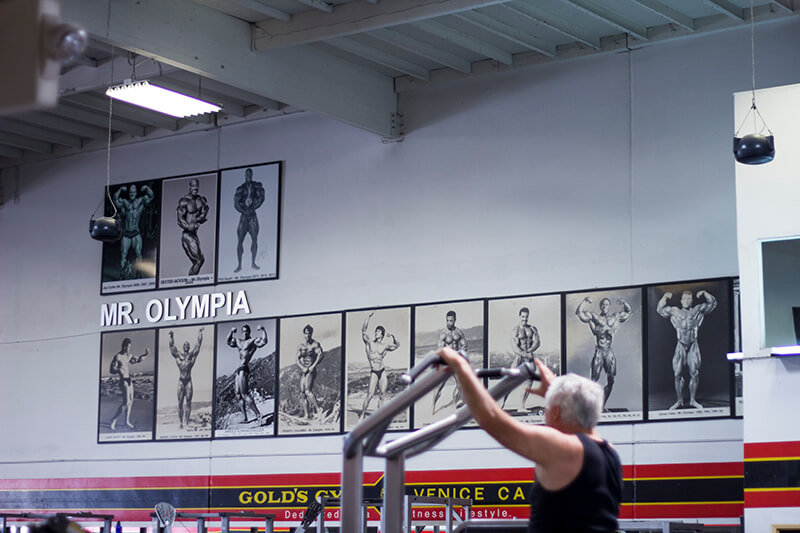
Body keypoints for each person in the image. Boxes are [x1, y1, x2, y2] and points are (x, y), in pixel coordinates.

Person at [437, 346, 622, 533]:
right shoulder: (609, 452)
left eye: (548, 408)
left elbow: (490, 418)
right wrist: (554, 392)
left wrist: (460, 366)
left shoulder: (563, 448)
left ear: (556, 412)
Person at [657, 289, 717, 410]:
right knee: (677, 374)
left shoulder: (697, 310)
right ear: (681, 300)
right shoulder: (675, 311)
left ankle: (692, 400)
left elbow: (713, 303)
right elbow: (660, 310)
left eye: (689, 299)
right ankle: (679, 401)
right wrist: (664, 297)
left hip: (693, 344)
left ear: (691, 301)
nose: (686, 301)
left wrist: (705, 293)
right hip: (680, 345)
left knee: (694, 373)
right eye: (684, 299)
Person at [575, 297, 632, 406]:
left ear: (609, 306)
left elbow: (628, 312)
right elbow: (579, 313)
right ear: (600, 306)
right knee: (593, 381)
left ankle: (602, 405)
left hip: (609, 352)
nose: (604, 306)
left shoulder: (615, 317)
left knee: (611, 380)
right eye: (602, 304)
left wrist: (624, 302)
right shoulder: (595, 317)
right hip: (599, 352)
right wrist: (585, 301)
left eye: (606, 304)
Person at [359, 312, 400, 420]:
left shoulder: (384, 346)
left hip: (382, 371)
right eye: (376, 331)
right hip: (374, 372)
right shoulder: (369, 343)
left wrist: (392, 336)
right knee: (370, 394)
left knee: (382, 394)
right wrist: (367, 316)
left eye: (378, 332)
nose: (376, 333)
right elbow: (363, 331)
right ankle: (362, 414)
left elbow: (397, 345)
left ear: (382, 335)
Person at [501, 307, 541, 411]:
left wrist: (530, 351)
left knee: (529, 381)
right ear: (520, 316)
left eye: (526, 316)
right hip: (519, 358)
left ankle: (521, 406)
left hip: (529, 357)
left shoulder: (532, 329)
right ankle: (502, 404)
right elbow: (515, 347)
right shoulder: (516, 330)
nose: (525, 318)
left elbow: (537, 342)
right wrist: (525, 354)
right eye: (523, 316)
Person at [226, 324, 268, 423]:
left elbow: (264, 341)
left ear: (249, 332)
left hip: (244, 368)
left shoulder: (252, 341)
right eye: (243, 331)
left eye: (246, 331)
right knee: (238, 394)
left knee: (244, 394)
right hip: (238, 369)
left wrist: (263, 329)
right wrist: (231, 332)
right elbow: (228, 341)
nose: (245, 333)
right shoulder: (239, 342)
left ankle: (258, 414)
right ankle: (245, 418)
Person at [113, 183, 154, 279]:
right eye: (130, 192)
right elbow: (115, 199)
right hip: (126, 233)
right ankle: (122, 273)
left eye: (134, 192)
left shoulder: (141, 201)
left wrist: (147, 188)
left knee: (138, 253)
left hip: (136, 232)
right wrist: (120, 189)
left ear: (136, 192)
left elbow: (151, 196)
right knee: (123, 254)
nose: (132, 193)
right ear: (129, 193)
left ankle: (138, 272)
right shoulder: (124, 202)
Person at [432, 310, 468, 414]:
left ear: (455, 320)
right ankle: (432, 408)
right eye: (447, 320)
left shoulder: (459, 333)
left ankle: (454, 404)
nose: (449, 323)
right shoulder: (443, 334)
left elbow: (464, 346)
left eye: (451, 321)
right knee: (439, 386)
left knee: (460, 384)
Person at [109, 338, 149, 430]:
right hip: (123, 380)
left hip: (129, 380)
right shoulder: (118, 356)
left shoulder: (129, 356)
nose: (129, 349)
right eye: (128, 347)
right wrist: (118, 369)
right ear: (124, 346)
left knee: (131, 402)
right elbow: (111, 370)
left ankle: (126, 421)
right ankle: (114, 419)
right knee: (126, 403)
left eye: (130, 347)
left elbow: (138, 359)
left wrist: (145, 354)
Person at [168, 328, 204, 429]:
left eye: (188, 345)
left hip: (188, 381)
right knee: (180, 403)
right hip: (180, 381)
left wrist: (200, 332)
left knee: (188, 402)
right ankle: (181, 422)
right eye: (185, 345)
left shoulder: (192, 355)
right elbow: (171, 346)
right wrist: (171, 336)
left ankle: (187, 421)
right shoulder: (178, 355)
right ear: (183, 347)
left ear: (189, 347)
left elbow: (198, 345)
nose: (187, 346)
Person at [233, 168, 266, 273]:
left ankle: (253, 263)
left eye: (250, 174)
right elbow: (236, 204)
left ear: (252, 175)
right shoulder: (240, 188)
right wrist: (244, 209)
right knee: (240, 240)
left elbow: (261, 198)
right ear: (245, 175)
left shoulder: (257, 186)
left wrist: (253, 204)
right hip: (244, 215)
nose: (248, 176)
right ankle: (239, 265)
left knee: (255, 239)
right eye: (247, 174)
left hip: (252, 215)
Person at [176, 178, 209, 276]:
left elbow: (204, 215)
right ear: (190, 187)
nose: (195, 188)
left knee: (197, 261)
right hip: (187, 235)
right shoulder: (184, 201)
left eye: (197, 186)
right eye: (193, 186)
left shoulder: (201, 200)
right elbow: (180, 219)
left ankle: (190, 281)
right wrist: (189, 226)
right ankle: (191, 283)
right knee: (199, 260)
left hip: (194, 235)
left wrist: (199, 219)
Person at [296, 324, 324, 419]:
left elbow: (321, 355)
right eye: (306, 334)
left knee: (308, 391)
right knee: (302, 393)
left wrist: (313, 366)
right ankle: (307, 415)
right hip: (304, 370)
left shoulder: (315, 344)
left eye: (309, 334)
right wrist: (302, 367)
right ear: (303, 334)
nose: (307, 336)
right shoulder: (301, 346)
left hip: (311, 370)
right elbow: (297, 359)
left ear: (311, 334)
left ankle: (319, 409)